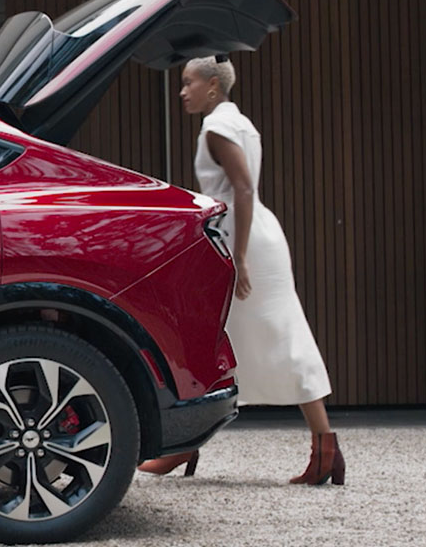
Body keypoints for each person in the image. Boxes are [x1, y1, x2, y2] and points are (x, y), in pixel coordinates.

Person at [140, 55, 341, 485]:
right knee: (244, 339)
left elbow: (243, 189)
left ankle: (186, 448)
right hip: (252, 236)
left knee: (222, 339)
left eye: (189, 82)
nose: (182, 91)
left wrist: (242, 256)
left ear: (213, 86)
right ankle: (323, 448)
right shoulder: (239, 122)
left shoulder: (217, 127)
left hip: (241, 241)